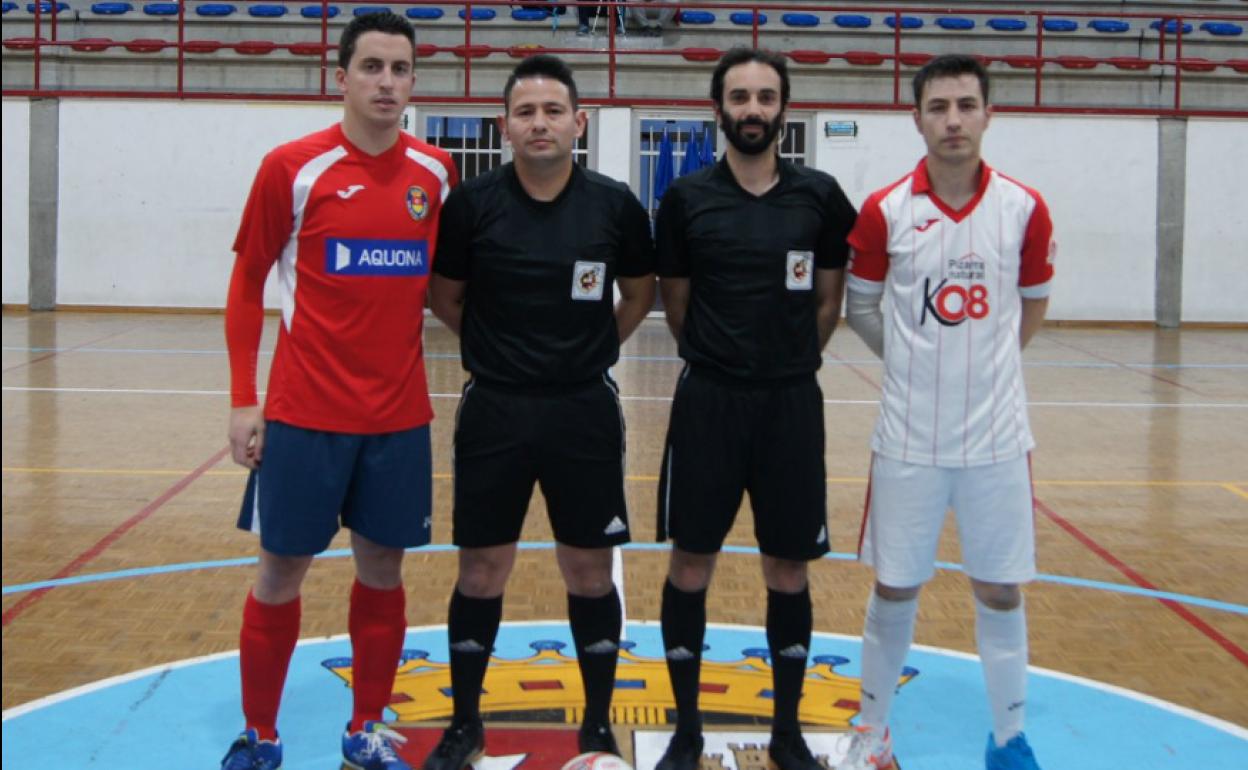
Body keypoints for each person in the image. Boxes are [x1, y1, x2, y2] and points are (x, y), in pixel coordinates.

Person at [220, 12, 457, 770]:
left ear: (414, 80)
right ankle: (261, 734)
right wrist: (240, 396)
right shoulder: (292, 167)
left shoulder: (436, 173)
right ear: (342, 76)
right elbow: (246, 280)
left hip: (397, 420)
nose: (387, 82)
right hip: (302, 414)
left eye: (400, 69)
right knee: (280, 570)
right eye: (372, 67)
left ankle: (364, 729)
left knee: (383, 572)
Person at [420, 54, 656, 770]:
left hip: (583, 410)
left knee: (589, 570)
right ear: (505, 126)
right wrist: (502, 352)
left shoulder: (614, 205)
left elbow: (639, 296)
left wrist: (586, 351)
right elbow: (444, 297)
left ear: (579, 122)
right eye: (525, 113)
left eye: (554, 111)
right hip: (494, 410)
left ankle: (594, 723)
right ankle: (464, 723)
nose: (540, 123)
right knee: (482, 568)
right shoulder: (472, 205)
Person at [835, 54, 1054, 770]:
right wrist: (912, 357)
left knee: (999, 587)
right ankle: (870, 732)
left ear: (989, 113)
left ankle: (1009, 736)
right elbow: (861, 304)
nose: (953, 120)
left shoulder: (1024, 207)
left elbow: (1032, 305)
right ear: (917, 117)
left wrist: (987, 364)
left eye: (966, 105)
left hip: (996, 439)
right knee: (896, 583)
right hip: (909, 438)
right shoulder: (885, 210)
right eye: (939, 107)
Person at [653, 47, 858, 770]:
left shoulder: (821, 196)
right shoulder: (684, 200)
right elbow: (675, 306)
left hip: (791, 406)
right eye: (739, 96)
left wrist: (785, 356)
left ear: (783, 108)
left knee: (789, 570)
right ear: (719, 107)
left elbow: (829, 300)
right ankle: (684, 726)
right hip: (709, 402)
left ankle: (788, 729)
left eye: (765, 97)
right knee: (689, 564)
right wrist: (726, 356)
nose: (752, 109)